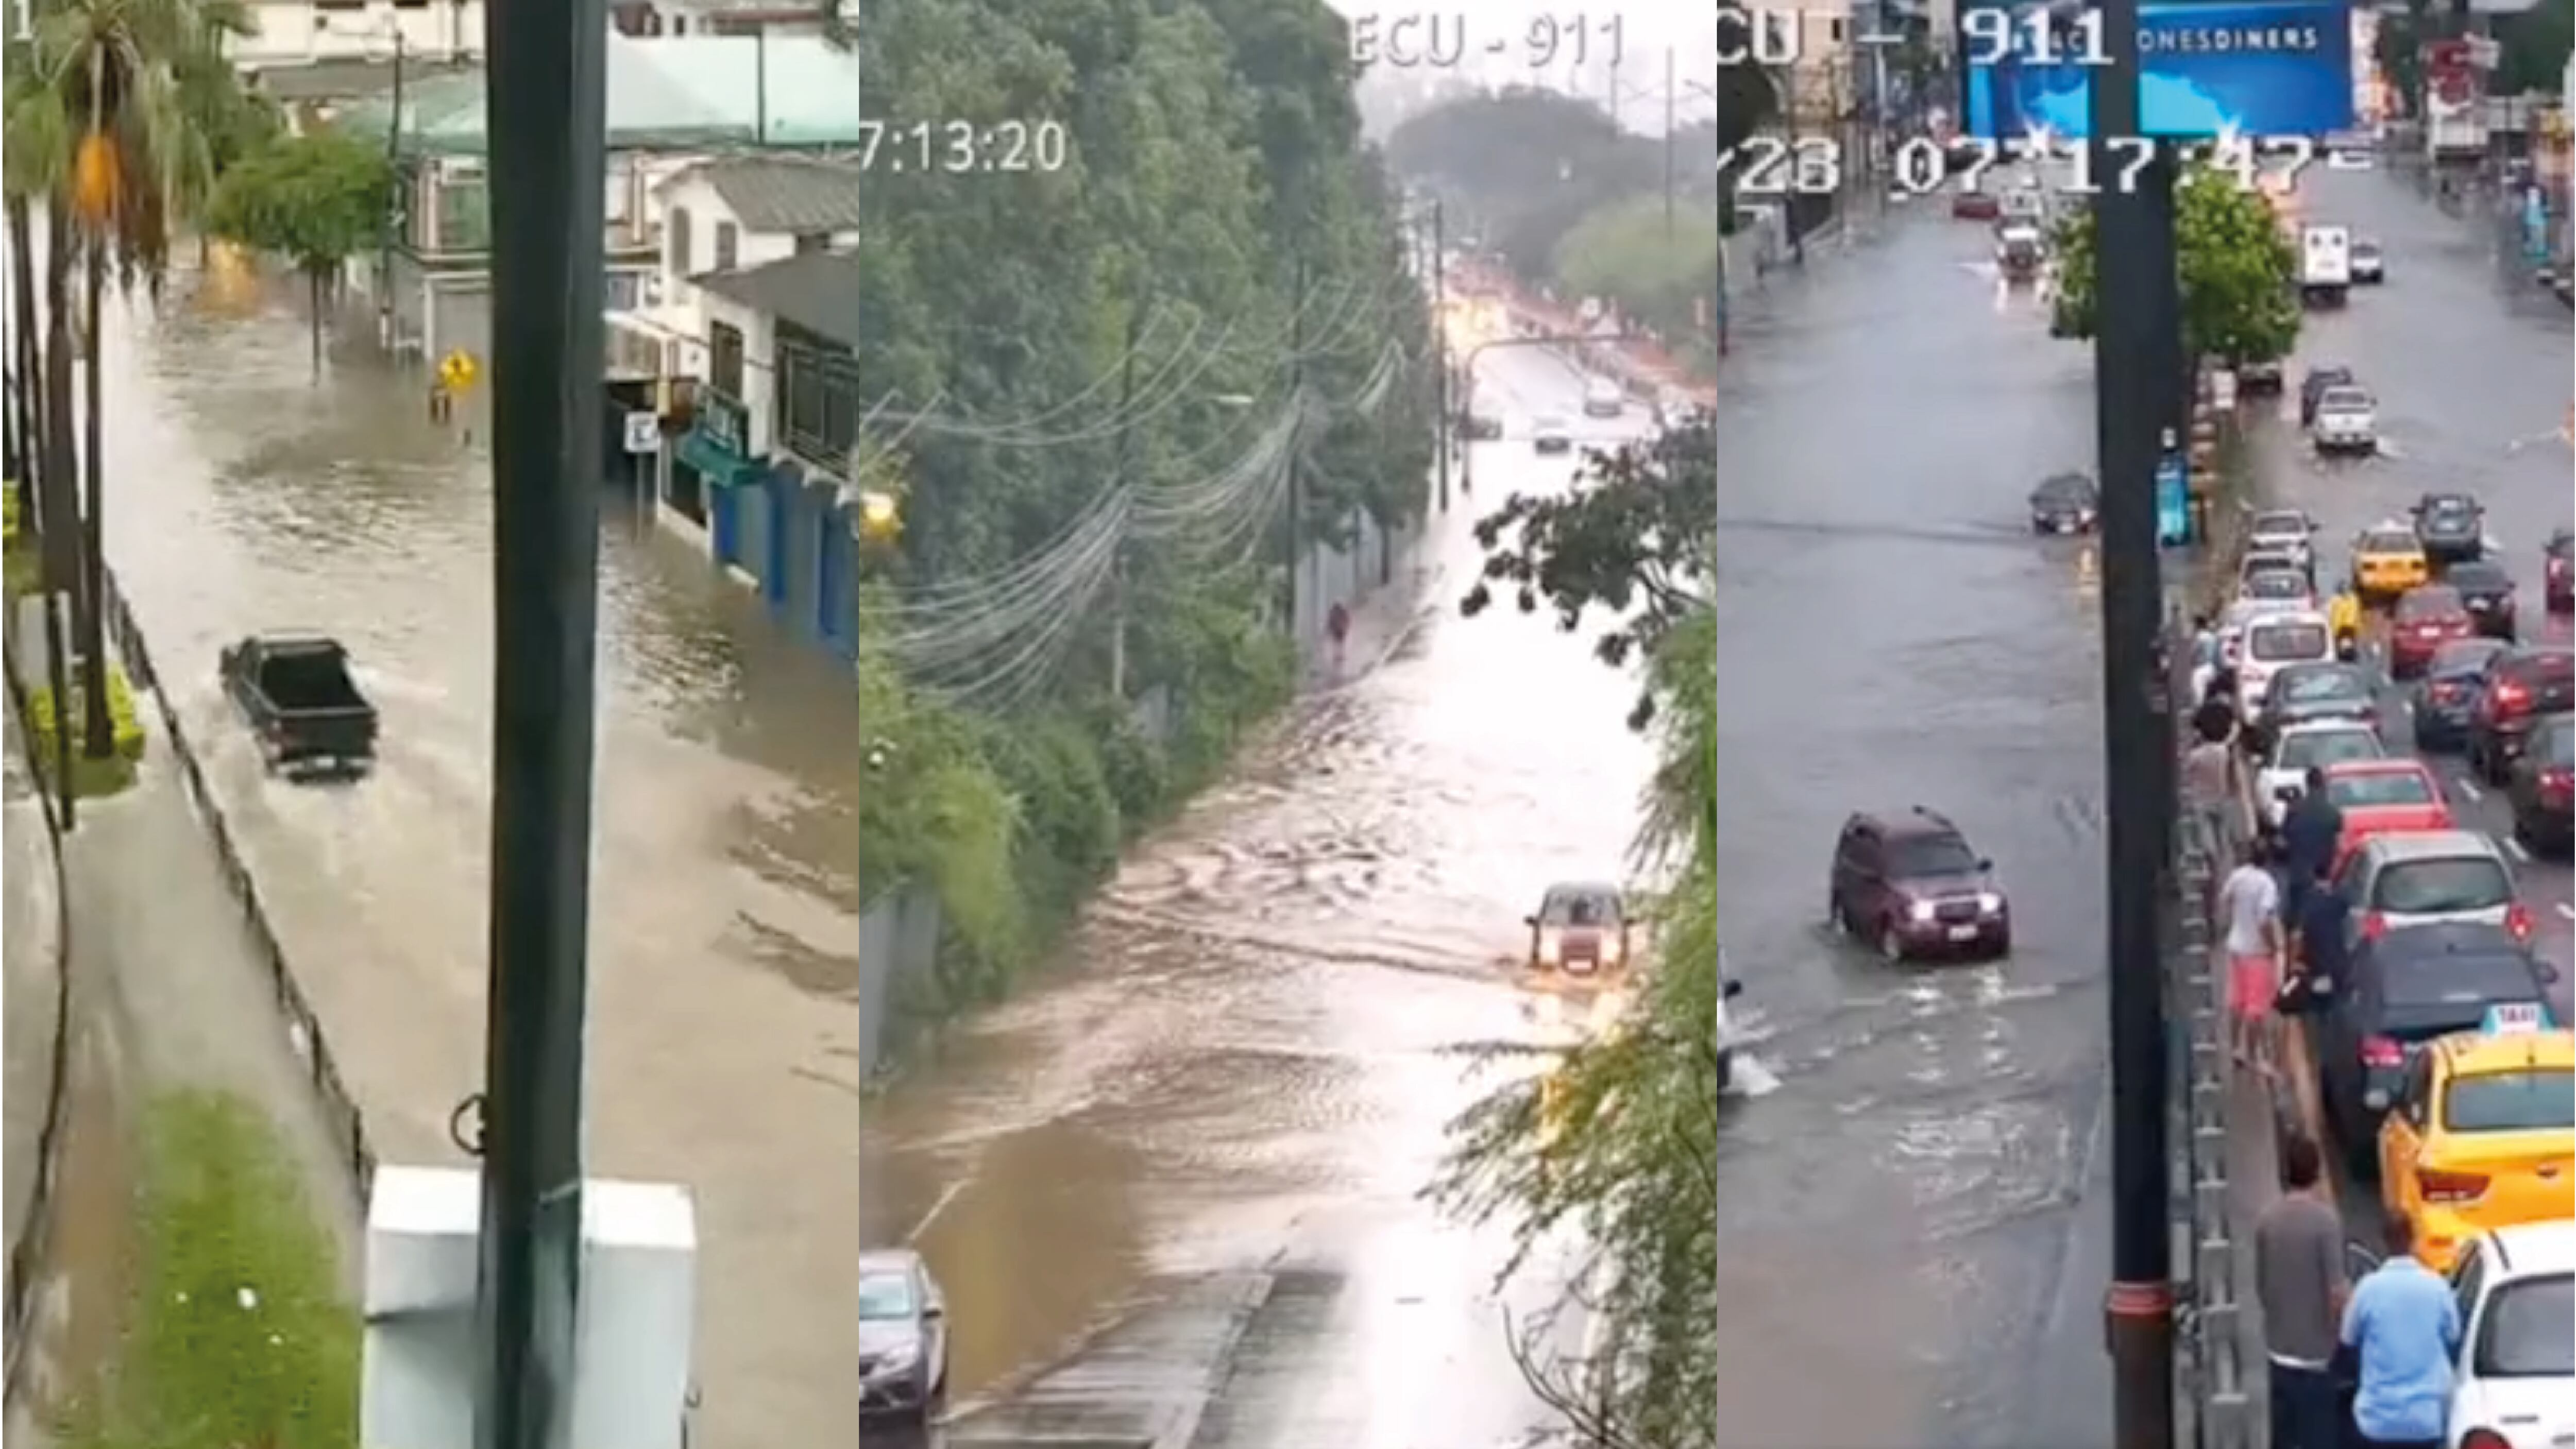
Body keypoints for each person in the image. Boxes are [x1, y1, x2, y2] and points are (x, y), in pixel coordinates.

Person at [2256, 1132, 2349, 1449]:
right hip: (2316, 1356)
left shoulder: (2267, 1220)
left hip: (2278, 1351)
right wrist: (2337, 1336)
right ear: (2316, 1172)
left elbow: (2261, 1285)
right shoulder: (2326, 1222)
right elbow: (2336, 1292)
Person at [2341, 1211, 2461, 1449]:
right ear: (2414, 1239)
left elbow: (2348, 1339)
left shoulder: (2368, 1289)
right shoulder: (2436, 1287)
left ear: (2384, 1241)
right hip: (2426, 1420)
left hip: (2377, 1422)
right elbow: (2454, 1335)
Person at [2219, 836, 2285, 1075]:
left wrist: (2231, 921)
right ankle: (2251, 1053)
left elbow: (2225, 899)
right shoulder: (2267, 884)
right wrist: (2272, 946)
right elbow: (2264, 919)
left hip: (2236, 944)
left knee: (2237, 1000)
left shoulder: (2238, 876)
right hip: (2257, 951)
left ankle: (2235, 1048)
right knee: (2257, 1007)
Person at [2279, 767, 2345, 923]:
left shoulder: (2294, 809)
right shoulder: (2333, 813)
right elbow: (2339, 844)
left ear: (2307, 784)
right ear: (2323, 785)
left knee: (2295, 917)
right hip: (2322, 875)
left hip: (2298, 872)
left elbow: (2284, 837)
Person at [2328, 584, 2363, 656]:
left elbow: (2332, 613)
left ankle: (2345, 652)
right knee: (2348, 642)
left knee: (2343, 643)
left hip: (2341, 627)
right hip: (2349, 626)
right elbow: (2356, 612)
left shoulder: (2335, 600)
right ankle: (2348, 651)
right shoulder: (2354, 598)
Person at [1326, 600, 1351, 675]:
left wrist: (1345, 627)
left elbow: (1330, 622)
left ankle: (1339, 656)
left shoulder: (1336, 612)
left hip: (1339, 630)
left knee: (1338, 644)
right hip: (1339, 630)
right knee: (1339, 644)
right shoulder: (1340, 612)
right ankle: (1339, 656)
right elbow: (1330, 622)